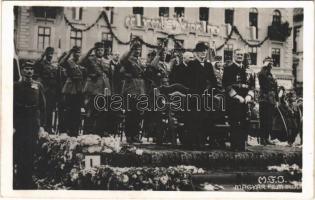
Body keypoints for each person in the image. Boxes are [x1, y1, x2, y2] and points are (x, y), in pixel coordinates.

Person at [14, 61, 46, 189]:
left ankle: (28, 178)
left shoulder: (38, 86)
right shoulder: (16, 85)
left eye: (31, 69)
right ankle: (19, 179)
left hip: (33, 122)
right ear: (22, 70)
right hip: (20, 122)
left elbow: (43, 107)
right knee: (20, 150)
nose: (29, 71)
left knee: (31, 151)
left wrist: (42, 125)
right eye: (26, 68)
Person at [183, 42, 217, 148]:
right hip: (194, 97)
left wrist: (209, 88)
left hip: (206, 96)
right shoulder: (192, 65)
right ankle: (192, 142)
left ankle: (202, 141)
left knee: (206, 118)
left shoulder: (208, 65)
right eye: (201, 51)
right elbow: (188, 82)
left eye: (205, 51)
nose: (203, 53)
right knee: (194, 118)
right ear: (197, 53)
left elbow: (213, 81)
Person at [222, 48, 255, 151]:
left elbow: (252, 85)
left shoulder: (247, 70)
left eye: (241, 55)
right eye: (238, 55)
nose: (240, 56)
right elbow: (226, 85)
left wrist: (249, 95)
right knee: (235, 123)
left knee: (245, 122)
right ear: (234, 56)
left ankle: (242, 145)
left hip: (245, 100)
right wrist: (237, 96)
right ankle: (234, 146)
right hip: (233, 100)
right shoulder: (228, 69)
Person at [81, 42, 112, 136]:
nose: (100, 52)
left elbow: (109, 75)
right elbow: (82, 61)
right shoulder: (90, 59)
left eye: (101, 50)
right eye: (98, 50)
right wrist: (90, 50)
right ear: (95, 50)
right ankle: (88, 131)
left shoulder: (107, 61)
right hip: (93, 89)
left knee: (102, 111)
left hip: (104, 89)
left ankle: (99, 132)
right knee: (91, 111)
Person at [120, 40, 146, 143]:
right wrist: (130, 50)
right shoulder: (128, 60)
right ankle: (129, 135)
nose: (137, 52)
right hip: (130, 89)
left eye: (139, 50)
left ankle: (135, 135)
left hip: (139, 89)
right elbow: (122, 64)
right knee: (130, 113)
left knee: (138, 114)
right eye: (135, 50)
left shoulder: (139, 61)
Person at [59, 46, 85, 136]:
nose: (78, 54)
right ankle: (68, 130)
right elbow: (61, 63)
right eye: (76, 52)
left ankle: (75, 131)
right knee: (69, 111)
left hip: (79, 88)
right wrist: (69, 53)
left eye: (79, 52)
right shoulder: (69, 61)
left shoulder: (82, 62)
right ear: (73, 53)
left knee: (77, 112)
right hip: (70, 88)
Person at [34, 47, 58, 133]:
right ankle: (41, 127)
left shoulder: (53, 65)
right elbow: (36, 64)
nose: (50, 56)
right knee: (42, 109)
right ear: (46, 54)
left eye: (52, 54)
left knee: (50, 110)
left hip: (51, 91)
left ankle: (48, 128)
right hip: (44, 90)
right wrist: (42, 55)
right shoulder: (42, 64)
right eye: (49, 54)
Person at [258, 56, 278, 145]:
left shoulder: (272, 75)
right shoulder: (261, 73)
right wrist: (264, 66)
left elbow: (275, 88)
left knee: (269, 120)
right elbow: (262, 80)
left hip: (271, 99)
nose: (271, 64)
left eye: (271, 63)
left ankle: (267, 138)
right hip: (264, 99)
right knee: (263, 119)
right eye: (268, 63)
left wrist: (277, 100)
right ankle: (262, 138)